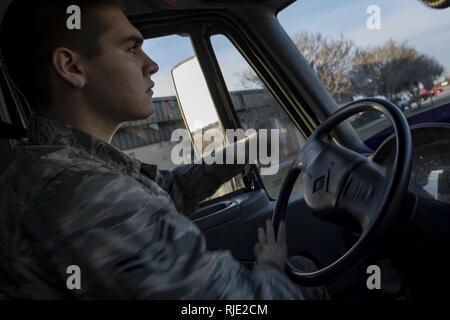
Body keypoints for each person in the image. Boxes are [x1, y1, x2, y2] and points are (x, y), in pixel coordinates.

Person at [0, 0, 326, 299]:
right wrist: (270, 267)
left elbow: (166, 191)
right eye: (131, 48)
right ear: (71, 68)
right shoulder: (79, 191)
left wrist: (241, 153)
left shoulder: (62, 165)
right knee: (309, 272)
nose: (152, 64)